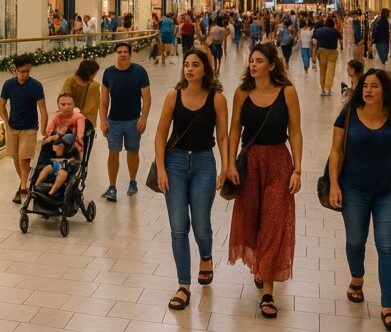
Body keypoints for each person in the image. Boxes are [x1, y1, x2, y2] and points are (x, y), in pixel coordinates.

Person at [327, 69, 391, 331]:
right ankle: (357, 278)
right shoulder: (347, 114)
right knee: (356, 241)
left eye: (375, 86)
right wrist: (334, 184)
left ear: (385, 90)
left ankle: (388, 307)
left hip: (389, 191)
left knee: (387, 246)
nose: (368, 90)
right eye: (365, 86)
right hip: (354, 189)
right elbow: (336, 151)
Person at [226, 43, 303, 319]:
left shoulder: (288, 93)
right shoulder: (242, 93)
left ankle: (267, 290)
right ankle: (261, 263)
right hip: (250, 163)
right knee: (251, 218)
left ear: (272, 65)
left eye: (259, 60)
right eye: (251, 60)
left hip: (279, 163)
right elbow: (234, 128)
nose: (253, 65)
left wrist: (298, 168)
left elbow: (295, 131)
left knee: (274, 221)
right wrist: (229, 163)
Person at [153, 48, 229, 312]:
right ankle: (183, 285)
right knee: (178, 226)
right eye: (186, 64)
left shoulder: (217, 99)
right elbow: (161, 133)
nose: (189, 69)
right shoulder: (173, 96)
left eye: (195, 65)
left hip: (204, 163)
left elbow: (222, 137)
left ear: (205, 69)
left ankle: (206, 256)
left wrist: (226, 167)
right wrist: (161, 168)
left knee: (201, 224)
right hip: (174, 162)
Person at [100, 42, 152, 201]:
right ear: (116, 54)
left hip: (133, 121)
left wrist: (144, 118)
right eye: (119, 52)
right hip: (114, 121)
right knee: (113, 152)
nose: (122, 54)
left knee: (132, 151)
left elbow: (147, 98)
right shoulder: (108, 73)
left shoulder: (140, 72)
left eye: (125, 52)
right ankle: (112, 186)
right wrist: (103, 120)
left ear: (130, 54)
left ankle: (132, 181)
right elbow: (103, 100)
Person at [0, 55, 47, 204]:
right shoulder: (8, 85)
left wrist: (43, 130)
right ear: (16, 70)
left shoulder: (36, 86)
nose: (25, 74)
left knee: (23, 159)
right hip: (13, 128)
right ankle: (25, 183)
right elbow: (1, 106)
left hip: (30, 128)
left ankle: (23, 188)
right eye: (22, 71)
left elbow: (43, 110)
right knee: (16, 159)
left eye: (27, 71)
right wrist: (7, 124)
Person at [59, 59, 101, 126]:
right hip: (71, 123)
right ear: (87, 73)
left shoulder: (94, 86)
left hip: (88, 124)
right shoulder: (70, 82)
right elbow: (64, 101)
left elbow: (98, 104)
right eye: (93, 74)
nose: (93, 76)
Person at [314, 16, 340, 96]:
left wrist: (314, 53)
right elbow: (341, 39)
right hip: (332, 52)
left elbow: (314, 42)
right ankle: (328, 89)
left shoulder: (318, 31)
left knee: (322, 70)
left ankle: (322, 89)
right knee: (330, 70)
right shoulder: (335, 31)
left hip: (322, 51)